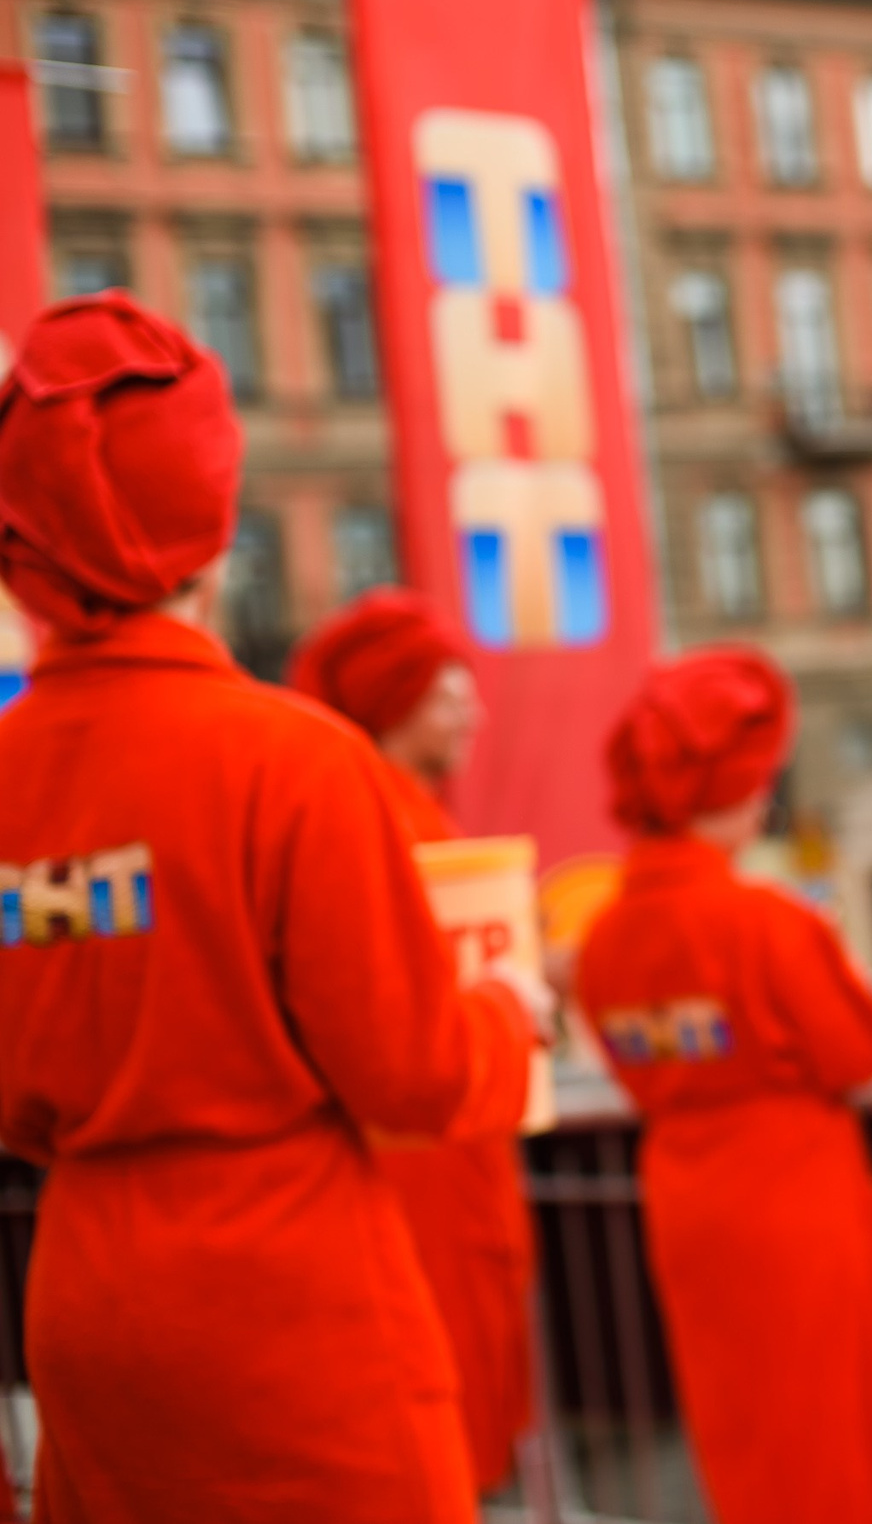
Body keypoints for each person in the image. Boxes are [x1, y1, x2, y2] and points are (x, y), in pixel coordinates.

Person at [0, 290, 544, 1520]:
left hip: (81, 1283)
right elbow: (405, 1069)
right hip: (284, 1286)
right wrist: (510, 1013)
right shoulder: (291, 759)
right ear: (210, 516)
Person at [575, 648, 872, 1524]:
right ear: (733, 789)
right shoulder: (769, 921)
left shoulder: (602, 939)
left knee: (741, 1429)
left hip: (687, 1201)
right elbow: (857, 1054)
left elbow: (630, 1070)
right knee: (836, 1429)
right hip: (796, 1198)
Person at [290, 590, 535, 1498]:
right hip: (422, 1165)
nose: (471, 705)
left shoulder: (402, 814)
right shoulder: (379, 822)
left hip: (444, 1157)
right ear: (393, 702)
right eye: (445, 689)